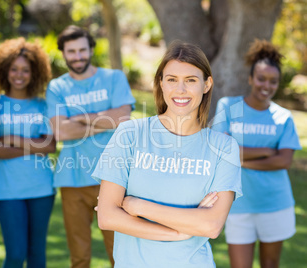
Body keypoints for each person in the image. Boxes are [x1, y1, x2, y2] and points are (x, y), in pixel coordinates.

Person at [92, 40, 243, 268]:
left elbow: (211, 225)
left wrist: (136, 206)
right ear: (161, 83)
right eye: (172, 79)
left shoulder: (224, 148)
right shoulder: (129, 134)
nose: (180, 90)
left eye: (190, 80)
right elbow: (107, 217)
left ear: (206, 84)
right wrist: (178, 232)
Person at [46, 25, 136, 268]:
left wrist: (79, 117)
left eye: (82, 50)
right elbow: (61, 131)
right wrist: (105, 122)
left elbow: (123, 119)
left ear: (91, 49)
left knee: (120, 254)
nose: (77, 56)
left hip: (113, 178)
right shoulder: (57, 87)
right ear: (63, 53)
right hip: (72, 179)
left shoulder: (113, 78)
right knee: (79, 255)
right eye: (71, 51)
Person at [212, 39, 301, 268]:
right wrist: (264, 151)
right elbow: (219, 150)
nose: (266, 86)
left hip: (275, 203)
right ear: (251, 79)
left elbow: (284, 161)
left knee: (270, 265)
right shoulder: (229, 106)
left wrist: (239, 160)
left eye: (273, 81)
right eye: (261, 79)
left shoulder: (283, 117)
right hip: (237, 204)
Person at [0, 37, 56, 268]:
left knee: (37, 256)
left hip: (42, 188)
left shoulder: (42, 105)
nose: (19, 74)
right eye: (14, 69)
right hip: (7, 190)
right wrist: (33, 147)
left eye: (26, 70)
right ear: (5, 70)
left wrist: (11, 139)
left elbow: (50, 146)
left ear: (35, 73)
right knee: (15, 254)